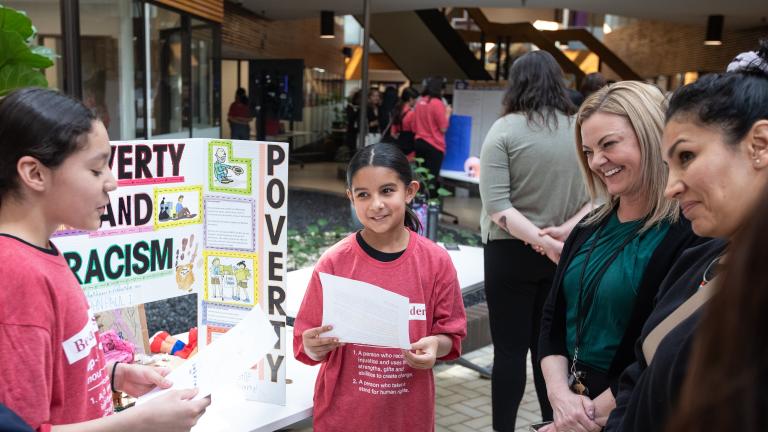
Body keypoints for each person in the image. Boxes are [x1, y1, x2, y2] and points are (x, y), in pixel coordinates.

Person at [0, 87, 210, 431]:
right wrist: (139, 423)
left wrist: (114, 374)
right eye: (97, 171)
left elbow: (58, 367)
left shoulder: (40, 252)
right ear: (35, 173)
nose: (112, 183)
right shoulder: (14, 275)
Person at [605, 41, 768, 432]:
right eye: (668, 165)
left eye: (687, 157)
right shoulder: (703, 256)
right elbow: (639, 374)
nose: (671, 187)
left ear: (759, 145)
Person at [537, 82, 703, 432]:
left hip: (631, 409)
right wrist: (559, 397)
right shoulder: (587, 228)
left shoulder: (688, 235)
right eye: (588, 150)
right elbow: (553, 316)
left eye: (609, 144)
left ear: (652, 136)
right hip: (570, 404)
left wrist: (587, 416)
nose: (597, 161)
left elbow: (662, 347)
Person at [293, 142, 466, 431]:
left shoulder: (435, 262)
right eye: (363, 194)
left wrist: (436, 344)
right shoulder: (334, 263)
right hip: (343, 417)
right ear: (351, 197)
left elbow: (451, 335)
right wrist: (313, 346)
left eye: (387, 191)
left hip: (408, 416)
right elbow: (304, 342)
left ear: (409, 191)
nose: (376, 204)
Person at [478, 50, 590, 431]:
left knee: (509, 352)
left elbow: (497, 206)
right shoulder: (580, 129)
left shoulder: (504, 130)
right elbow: (599, 196)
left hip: (509, 253)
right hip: (565, 252)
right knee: (550, 350)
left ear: (516, 84)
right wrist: (561, 237)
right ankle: (553, 424)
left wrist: (540, 241)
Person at [665, 184, 768, 432]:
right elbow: (639, 367)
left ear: (758, 150)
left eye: (687, 156)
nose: (670, 188)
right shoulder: (696, 257)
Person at [413, 76, 451, 179]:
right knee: (431, 178)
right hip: (434, 145)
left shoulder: (419, 102)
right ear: (440, 89)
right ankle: (431, 195)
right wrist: (447, 114)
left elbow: (413, 125)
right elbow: (443, 128)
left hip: (419, 142)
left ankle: (420, 195)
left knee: (421, 177)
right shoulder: (437, 104)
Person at [389, 87, 419, 156]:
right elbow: (415, 130)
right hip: (410, 144)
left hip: (399, 143)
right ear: (411, 99)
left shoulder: (397, 110)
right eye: (416, 99)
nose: (416, 102)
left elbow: (392, 133)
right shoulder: (411, 113)